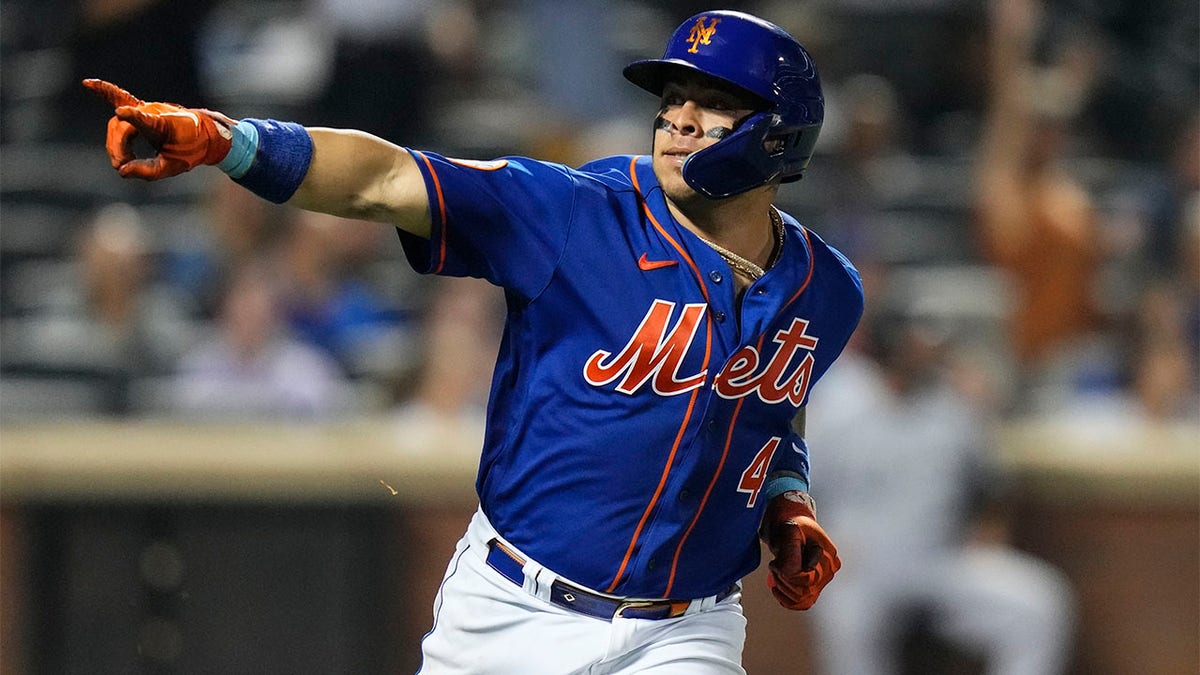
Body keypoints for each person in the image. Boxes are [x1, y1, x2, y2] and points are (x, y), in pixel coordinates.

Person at [83, 9, 864, 673]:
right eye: (673, 98)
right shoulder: (574, 212)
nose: (679, 120)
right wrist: (231, 142)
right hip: (512, 608)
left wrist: (786, 496)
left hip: (686, 627)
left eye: (713, 102)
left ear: (777, 135)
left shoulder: (826, 289)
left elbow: (768, 402)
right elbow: (384, 179)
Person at [804, 281, 1076, 675]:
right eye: (919, 339)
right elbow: (796, 486)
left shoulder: (954, 407)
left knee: (1037, 606)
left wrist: (986, 533)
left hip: (939, 560)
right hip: (860, 564)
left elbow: (987, 486)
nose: (931, 350)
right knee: (845, 614)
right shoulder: (839, 400)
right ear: (890, 340)